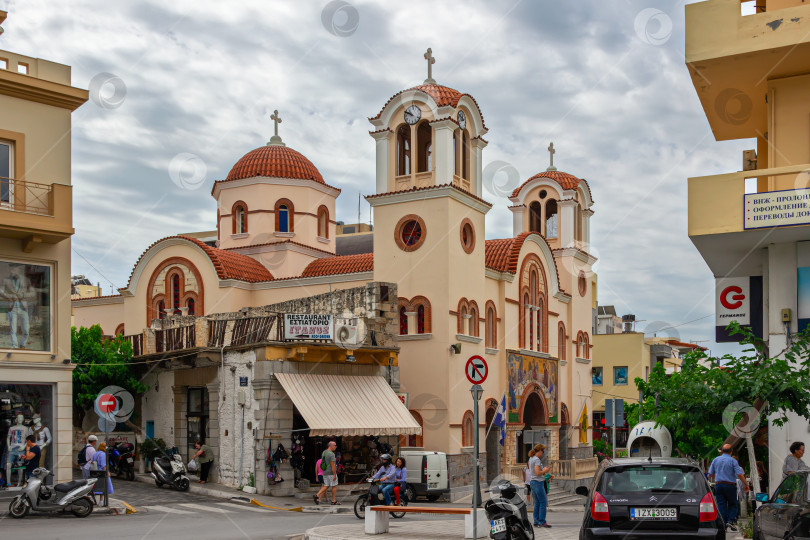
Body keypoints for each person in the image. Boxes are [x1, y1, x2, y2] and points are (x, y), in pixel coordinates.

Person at [708, 443, 749, 533]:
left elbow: (710, 473)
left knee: (721, 504)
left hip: (719, 485)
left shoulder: (715, 460)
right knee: (733, 504)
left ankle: (724, 523)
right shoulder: (733, 461)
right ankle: (730, 520)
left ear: (722, 451)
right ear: (731, 451)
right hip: (730, 485)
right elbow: (739, 474)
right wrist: (746, 484)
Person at [1, 263, 34, 349]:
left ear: (18, 270)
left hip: (23, 307)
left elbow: (32, 293)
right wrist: (10, 296)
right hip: (12, 307)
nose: (13, 271)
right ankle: (14, 346)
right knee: (13, 329)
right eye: (11, 269)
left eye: (14, 269)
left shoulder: (25, 280)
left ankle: (23, 344)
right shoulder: (6, 280)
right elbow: (1, 291)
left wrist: (22, 295)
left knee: (26, 329)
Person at [528, 443, 552, 529]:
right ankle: (542, 521)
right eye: (543, 451)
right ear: (540, 451)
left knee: (537, 503)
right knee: (543, 502)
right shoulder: (537, 460)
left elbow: (535, 472)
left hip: (533, 482)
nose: (543, 453)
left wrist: (543, 471)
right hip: (538, 483)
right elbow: (538, 473)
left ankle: (536, 521)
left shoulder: (531, 459)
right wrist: (545, 470)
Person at [314, 441, 339, 505]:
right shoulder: (331, 454)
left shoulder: (324, 452)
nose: (336, 447)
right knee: (334, 486)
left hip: (324, 472)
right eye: (335, 445)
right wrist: (334, 474)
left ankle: (317, 495)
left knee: (326, 485)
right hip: (330, 472)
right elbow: (332, 465)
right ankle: (333, 501)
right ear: (330, 446)